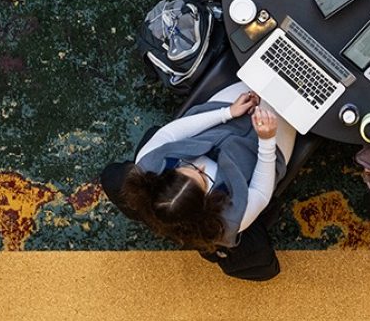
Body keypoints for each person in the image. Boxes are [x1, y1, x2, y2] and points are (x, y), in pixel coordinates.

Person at [101, 83, 295, 260]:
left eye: (189, 167)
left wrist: (228, 112)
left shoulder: (149, 164)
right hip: (263, 150)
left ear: (164, 177)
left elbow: (171, 133)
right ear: (206, 205)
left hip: (222, 124)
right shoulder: (227, 222)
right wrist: (267, 140)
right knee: (294, 96)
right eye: (203, 178)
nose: (200, 167)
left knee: (265, 75)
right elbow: (260, 193)